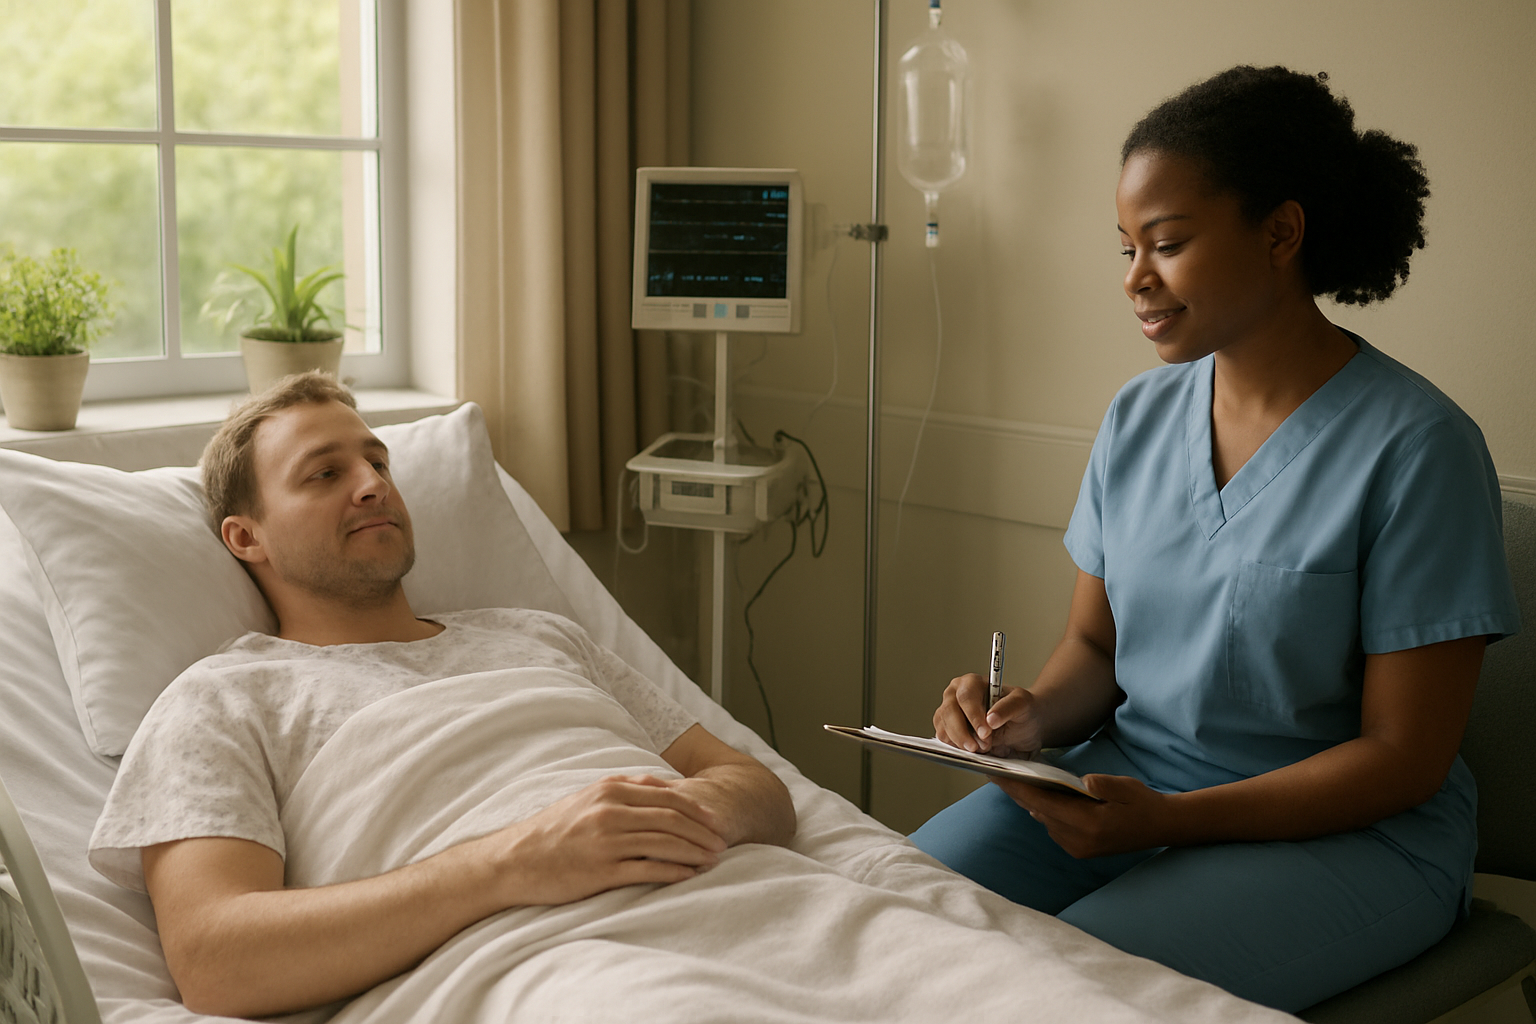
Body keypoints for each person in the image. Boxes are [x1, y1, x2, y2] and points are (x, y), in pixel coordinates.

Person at [909, 65, 1520, 1012]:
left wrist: (1175, 821)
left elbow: (1406, 756)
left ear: (1280, 233)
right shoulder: (1138, 417)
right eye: (1125, 247)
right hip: (1129, 789)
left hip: (1351, 838)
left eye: (1168, 244)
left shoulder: (1417, 447)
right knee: (889, 905)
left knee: (1066, 992)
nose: (1134, 279)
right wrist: (1024, 723)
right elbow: (1096, 649)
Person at [88, 373, 796, 1019]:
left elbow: (756, 786)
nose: (372, 485)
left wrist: (669, 817)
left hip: (771, 913)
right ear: (247, 538)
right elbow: (219, 961)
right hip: (554, 969)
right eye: (326, 473)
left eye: (378, 463)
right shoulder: (222, 699)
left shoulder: (543, 636)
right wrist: (518, 859)